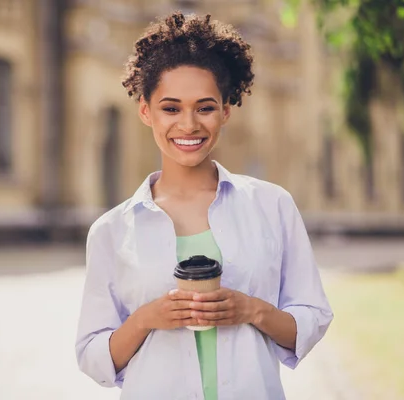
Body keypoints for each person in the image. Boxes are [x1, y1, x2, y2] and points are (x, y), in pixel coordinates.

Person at [75, 12, 333, 400]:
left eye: (205, 107)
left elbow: (312, 318)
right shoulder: (113, 231)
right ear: (146, 111)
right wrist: (147, 319)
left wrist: (251, 310)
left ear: (226, 111)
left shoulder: (272, 205)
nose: (189, 124)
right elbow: (93, 355)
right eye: (171, 108)